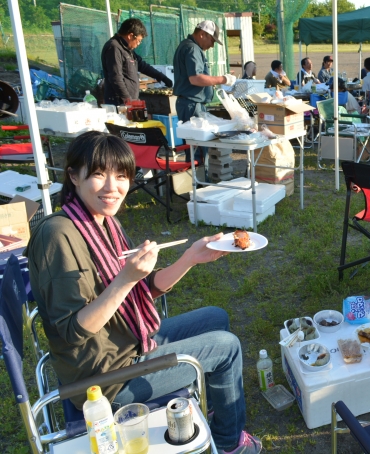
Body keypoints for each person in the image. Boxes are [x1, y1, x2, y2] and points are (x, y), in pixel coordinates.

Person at [26, 131, 262, 454]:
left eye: (122, 176)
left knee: (216, 317)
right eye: (99, 174)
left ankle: (217, 413)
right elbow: (72, 331)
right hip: (105, 381)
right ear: (74, 176)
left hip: (126, 342)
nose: (112, 187)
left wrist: (190, 258)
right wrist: (125, 279)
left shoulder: (102, 221)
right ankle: (228, 443)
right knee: (227, 348)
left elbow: (140, 291)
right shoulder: (57, 234)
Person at [173, 20, 235, 164]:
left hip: (191, 104)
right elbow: (196, 78)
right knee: (198, 151)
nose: (212, 45)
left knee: (196, 148)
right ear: (202, 34)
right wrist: (223, 79)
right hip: (192, 104)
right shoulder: (192, 48)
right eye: (212, 40)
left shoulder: (187, 46)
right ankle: (199, 177)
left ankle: (199, 175)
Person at [101, 18, 173, 106]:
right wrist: (128, 100)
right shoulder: (114, 47)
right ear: (130, 36)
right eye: (138, 40)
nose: (138, 44)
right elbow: (116, 77)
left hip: (131, 100)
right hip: (120, 102)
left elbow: (142, 65)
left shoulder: (127, 49)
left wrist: (161, 77)